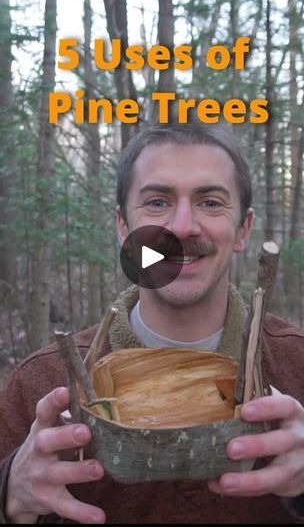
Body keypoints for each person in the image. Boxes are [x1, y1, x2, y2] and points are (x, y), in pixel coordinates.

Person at [1, 122, 304, 524]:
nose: (181, 227)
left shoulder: (296, 365)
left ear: (243, 230)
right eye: (157, 203)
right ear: (124, 227)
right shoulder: (42, 384)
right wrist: (10, 493)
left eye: (210, 202)